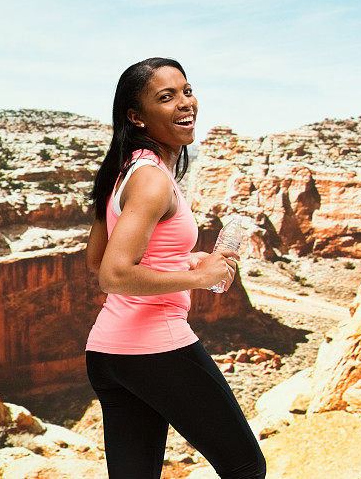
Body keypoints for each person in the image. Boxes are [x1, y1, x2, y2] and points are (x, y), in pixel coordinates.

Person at [84, 57, 267, 479]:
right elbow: (112, 274)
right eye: (166, 97)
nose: (185, 103)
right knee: (246, 467)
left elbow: (96, 260)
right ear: (137, 116)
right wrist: (199, 276)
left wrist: (185, 259)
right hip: (155, 347)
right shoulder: (151, 179)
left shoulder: (122, 172)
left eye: (187, 90)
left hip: (110, 352)